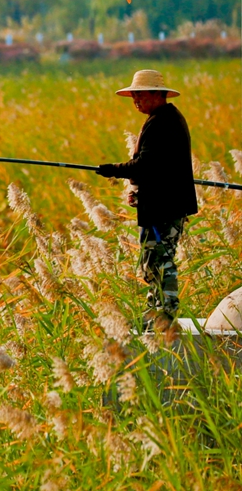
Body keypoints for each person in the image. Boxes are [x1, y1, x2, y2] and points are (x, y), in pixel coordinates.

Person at [96, 69, 198, 330]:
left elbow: (146, 164)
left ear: (158, 94)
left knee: (160, 259)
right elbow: (157, 168)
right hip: (161, 204)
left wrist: (114, 169)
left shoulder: (162, 122)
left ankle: (166, 314)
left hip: (165, 207)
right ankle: (154, 313)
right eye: (133, 96)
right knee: (152, 260)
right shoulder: (163, 118)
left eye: (140, 94)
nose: (136, 100)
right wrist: (137, 190)